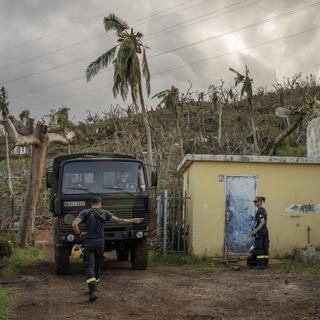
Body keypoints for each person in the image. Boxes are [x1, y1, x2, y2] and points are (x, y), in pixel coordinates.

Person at [72, 196, 144, 302]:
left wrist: (79, 234)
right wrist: (134, 220)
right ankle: (95, 284)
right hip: (100, 243)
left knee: (89, 266)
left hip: (89, 242)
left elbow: (74, 224)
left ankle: (93, 291)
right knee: (97, 264)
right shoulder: (105, 213)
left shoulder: (85, 212)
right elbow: (120, 221)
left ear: (91, 203)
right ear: (100, 203)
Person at [250, 196, 269, 269]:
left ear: (260, 202)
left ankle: (261, 265)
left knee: (259, 248)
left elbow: (262, 221)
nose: (254, 203)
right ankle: (265, 264)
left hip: (260, 232)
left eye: (256, 201)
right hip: (265, 231)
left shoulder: (260, 211)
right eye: (254, 201)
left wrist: (256, 230)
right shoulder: (263, 210)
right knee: (265, 248)